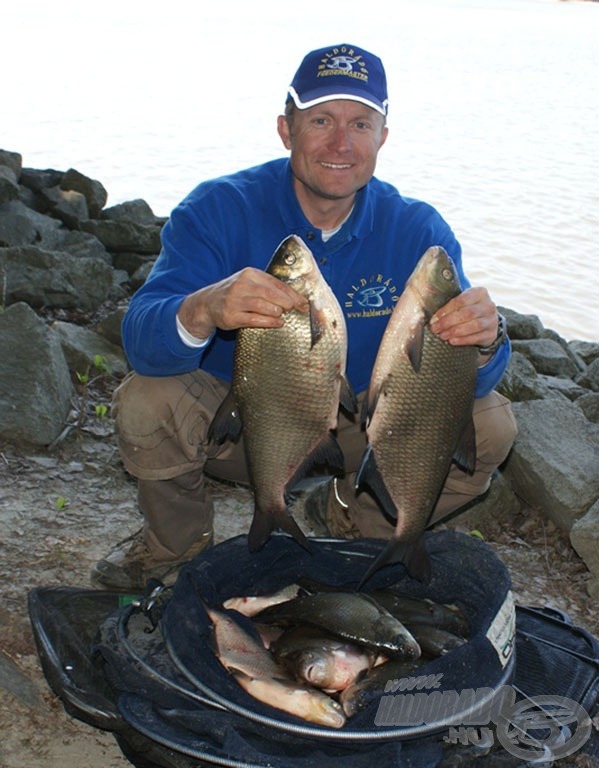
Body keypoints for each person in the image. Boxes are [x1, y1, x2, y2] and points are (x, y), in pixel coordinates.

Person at [91, 43, 517, 590]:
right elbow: (143, 342)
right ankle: (174, 551)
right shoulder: (217, 208)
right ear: (285, 128)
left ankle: (355, 528)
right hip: (252, 419)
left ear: (383, 137)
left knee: (492, 423)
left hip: (369, 425)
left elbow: (469, 379)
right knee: (147, 402)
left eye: (360, 123)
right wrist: (202, 308)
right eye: (321, 120)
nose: (341, 143)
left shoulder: (418, 231)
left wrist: (486, 339)